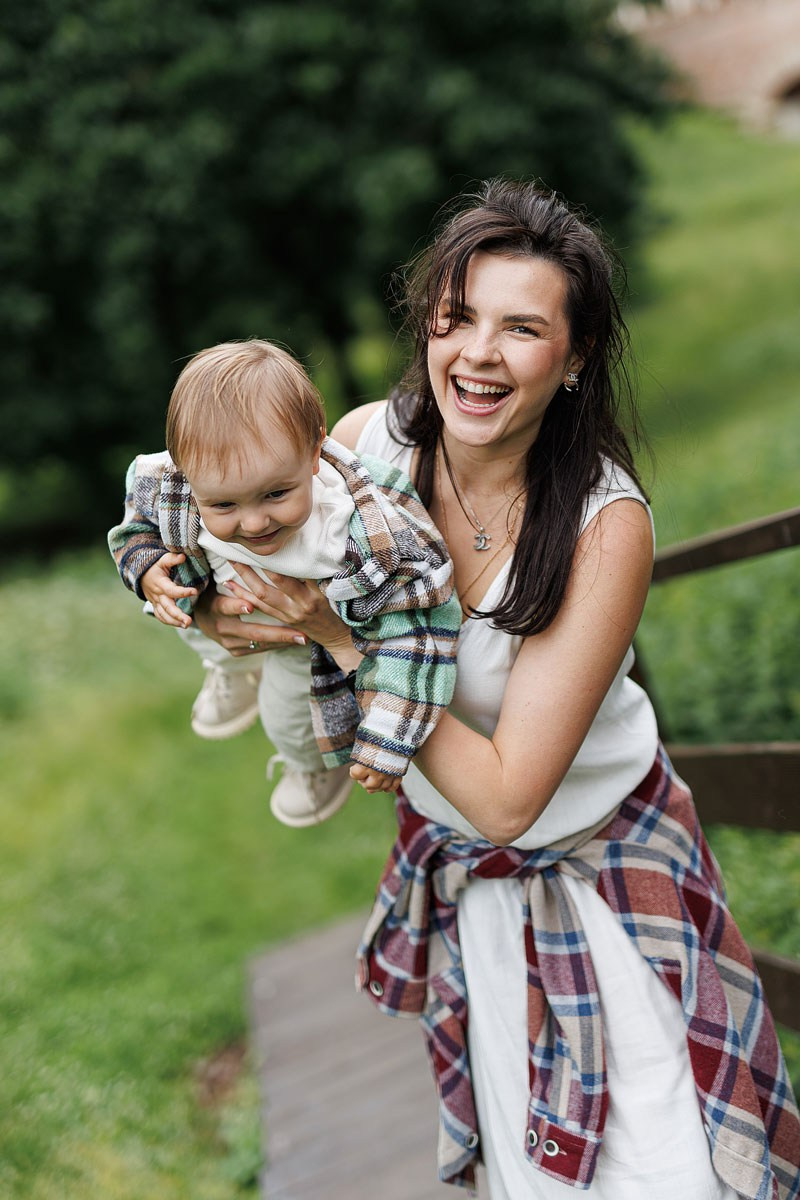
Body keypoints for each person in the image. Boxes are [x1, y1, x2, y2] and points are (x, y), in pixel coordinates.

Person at [177, 182, 800, 1198]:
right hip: (471, 889)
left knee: (666, 1170)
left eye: (520, 328)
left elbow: (511, 797)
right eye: (457, 316)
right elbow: (244, 531)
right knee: (530, 1169)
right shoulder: (372, 449)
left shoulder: (603, 524)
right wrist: (192, 592)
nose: (476, 353)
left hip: (602, 881)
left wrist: (337, 639)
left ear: (575, 357)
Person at [108, 339, 461, 826]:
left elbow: (420, 639)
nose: (253, 524)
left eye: (276, 494)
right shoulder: (173, 482)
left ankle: (309, 763)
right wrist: (145, 569)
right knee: (186, 614)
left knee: (286, 717)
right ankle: (229, 671)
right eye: (225, 506)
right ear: (185, 472)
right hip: (223, 596)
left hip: (307, 641)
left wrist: (387, 737)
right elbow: (138, 522)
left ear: (314, 450)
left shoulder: (361, 534)